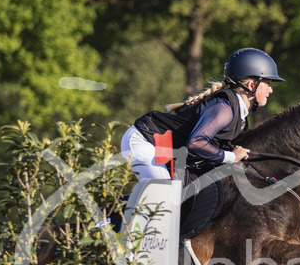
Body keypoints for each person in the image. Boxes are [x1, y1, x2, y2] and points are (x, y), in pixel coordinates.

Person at [120, 48, 284, 182]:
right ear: (251, 85)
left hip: (163, 150)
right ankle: (106, 222)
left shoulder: (240, 119)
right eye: (268, 83)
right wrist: (231, 157)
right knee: (165, 199)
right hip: (145, 141)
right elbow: (196, 143)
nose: (271, 90)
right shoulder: (224, 109)